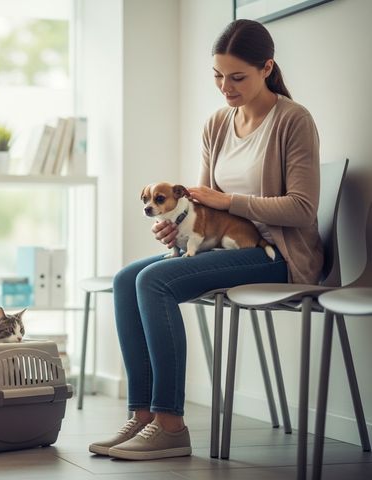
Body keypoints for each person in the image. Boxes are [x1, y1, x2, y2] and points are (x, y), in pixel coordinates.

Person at [88, 19, 321, 461]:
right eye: (217, 75)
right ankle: (142, 415)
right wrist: (175, 228)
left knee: (153, 283)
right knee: (126, 279)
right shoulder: (217, 123)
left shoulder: (293, 121)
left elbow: (302, 209)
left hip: (276, 256)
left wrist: (230, 200)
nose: (225, 87)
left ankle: (171, 425)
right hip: (222, 247)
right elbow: (201, 208)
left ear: (267, 67)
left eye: (237, 77)